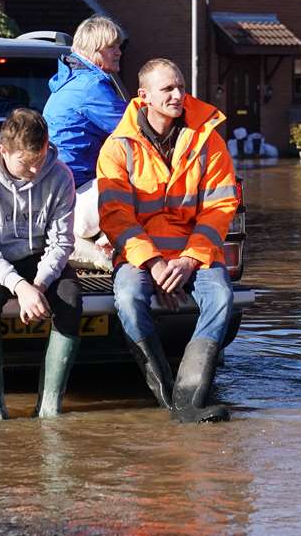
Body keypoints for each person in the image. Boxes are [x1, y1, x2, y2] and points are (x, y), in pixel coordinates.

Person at [97, 57, 240, 423]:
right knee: (128, 297)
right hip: (142, 258)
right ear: (144, 96)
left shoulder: (209, 140)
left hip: (194, 254)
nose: (178, 95)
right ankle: (166, 396)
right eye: (168, 89)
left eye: (180, 87)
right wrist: (156, 264)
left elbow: (220, 207)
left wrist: (189, 260)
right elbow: (116, 217)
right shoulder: (118, 147)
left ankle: (189, 395)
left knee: (221, 296)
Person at [0, 108, 80, 419]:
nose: (36, 170)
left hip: (38, 256)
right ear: (3, 150)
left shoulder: (61, 175)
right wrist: (19, 287)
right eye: (26, 163)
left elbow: (62, 242)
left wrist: (38, 285)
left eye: (40, 160)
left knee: (71, 299)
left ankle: (50, 405)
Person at [43, 16, 127, 242]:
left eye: (119, 46)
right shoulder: (91, 86)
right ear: (93, 50)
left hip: (58, 187)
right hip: (73, 190)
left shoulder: (71, 80)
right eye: (112, 47)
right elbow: (136, 131)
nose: (119, 52)